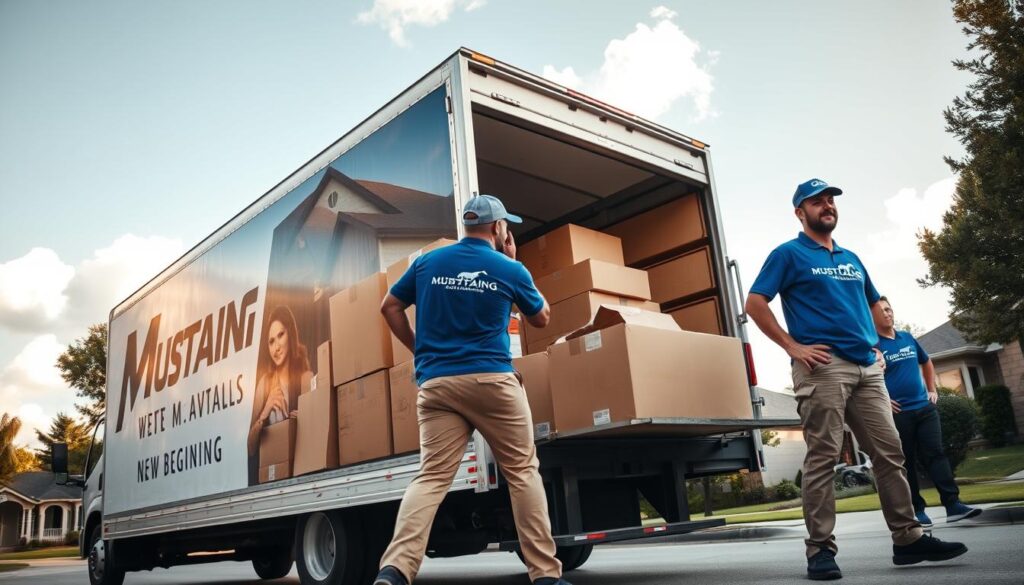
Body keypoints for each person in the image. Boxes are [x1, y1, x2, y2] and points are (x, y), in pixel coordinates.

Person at [744, 178, 967, 580]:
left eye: (830, 200)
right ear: (800, 212)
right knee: (823, 458)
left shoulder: (851, 257)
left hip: (868, 368)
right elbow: (755, 302)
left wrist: (874, 344)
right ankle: (820, 552)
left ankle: (908, 539)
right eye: (817, 202)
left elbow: (871, 301)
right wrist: (792, 347)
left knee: (890, 453)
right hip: (823, 366)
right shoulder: (788, 254)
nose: (826, 206)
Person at [373, 194, 568, 585]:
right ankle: (545, 575)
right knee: (522, 473)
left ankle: (394, 571)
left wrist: (422, 352)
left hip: (437, 386)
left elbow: (389, 307)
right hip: (492, 382)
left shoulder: (428, 262)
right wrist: (514, 263)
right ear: (498, 228)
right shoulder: (508, 268)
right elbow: (543, 318)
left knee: (430, 479)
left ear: (467, 225)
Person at [873, 296, 981, 527]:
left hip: (924, 407)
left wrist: (932, 389)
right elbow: (866, 378)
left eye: (889, 309)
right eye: (881, 310)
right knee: (907, 462)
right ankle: (917, 511)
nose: (887, 313)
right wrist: (883, 401)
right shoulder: (872, 345)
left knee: (936, 454)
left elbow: (927, 362)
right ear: (871, 315)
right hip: (899, 414)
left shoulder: (907, 337)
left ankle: (953, 505)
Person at [247, 305, 313, 458]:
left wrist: (303, 420)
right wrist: (264, 413)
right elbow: (250, 448)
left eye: (280, 335)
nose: (276, 347)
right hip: (271, 469)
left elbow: (318, 434)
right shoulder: (264, 384)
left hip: (299, 470)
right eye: (271, 341)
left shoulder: (306, 379)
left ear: (290, 334)